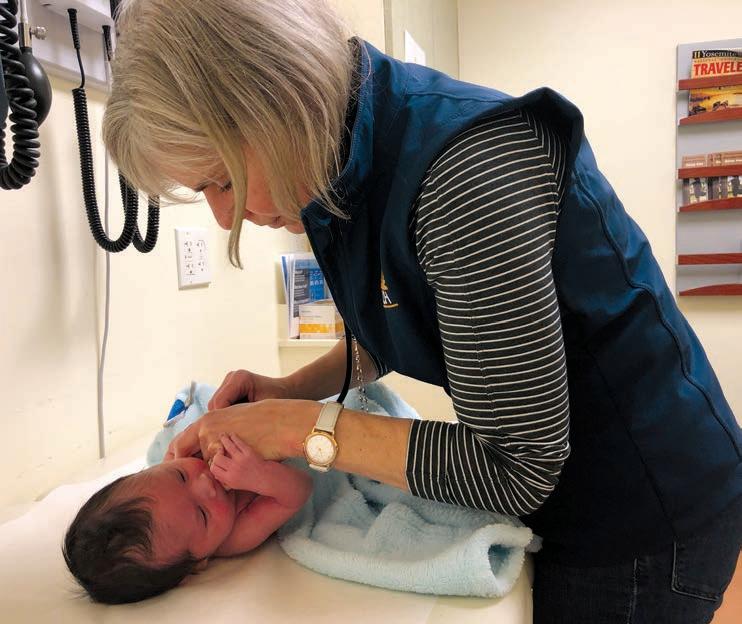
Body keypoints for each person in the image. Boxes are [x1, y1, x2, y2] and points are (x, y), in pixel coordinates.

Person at [101, 1, 741, 621]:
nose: (224, 217)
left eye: (220, 180)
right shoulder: (331, 167)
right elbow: (395, 323)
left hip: (642, 504)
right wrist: (292, 389)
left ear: (270, 105)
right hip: (566, 489)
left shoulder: (465, 177)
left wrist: (298, 427)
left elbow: (516, 467)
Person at [63, 433, 312, 604]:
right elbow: (299, 491)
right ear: (198, 562)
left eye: (180, 476)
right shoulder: (236, 535)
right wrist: (260, 475)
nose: (205, 483)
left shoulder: (172, 477)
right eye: (202, 514)